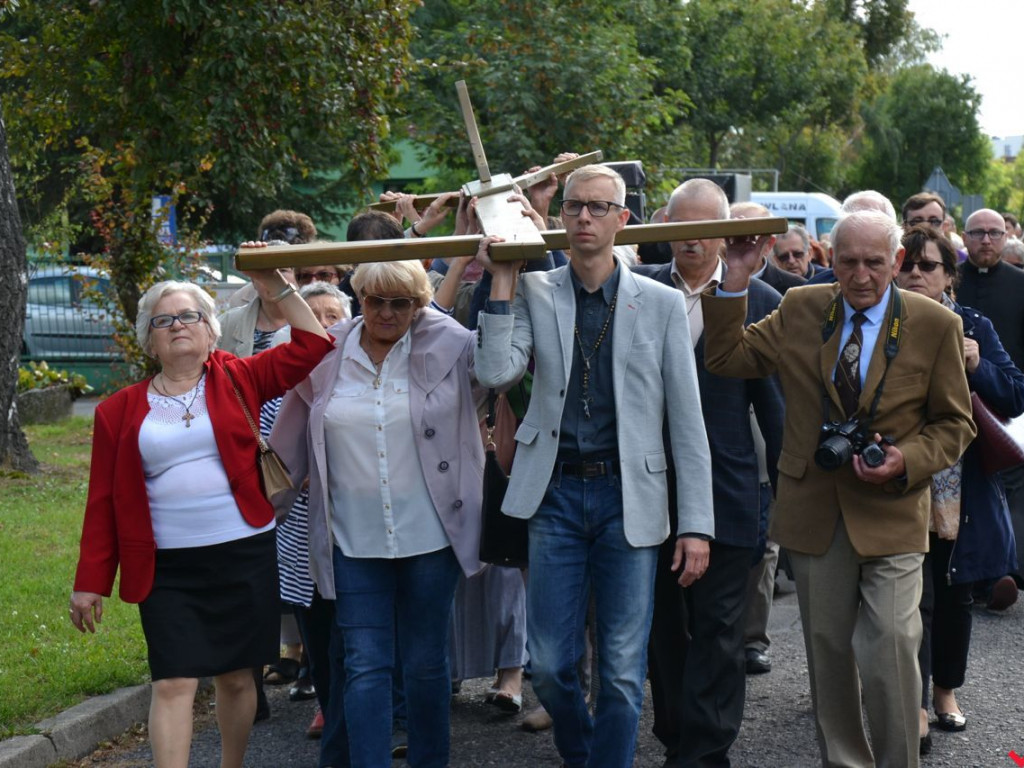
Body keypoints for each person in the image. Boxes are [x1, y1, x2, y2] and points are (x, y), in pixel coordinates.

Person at [702, 209, 976, 767]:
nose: (859, 276)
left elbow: (956, 424)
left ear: (897, 262)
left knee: (893, 648)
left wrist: (905, 459)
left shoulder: (934, 324)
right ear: (833, 259)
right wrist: (733, 276)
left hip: (894, 508)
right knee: (828, 657)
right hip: (815, 510)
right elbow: (727, 358)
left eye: (875, 263)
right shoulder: (801, 306)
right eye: (847, 262)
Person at [474, 164, 715, 768]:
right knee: (551, 665)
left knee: (623, 668)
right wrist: (501, 280)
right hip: (552, 494)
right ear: (560, 217)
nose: (585, 217)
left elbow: (687, 423)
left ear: (622, 219)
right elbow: (496, 374)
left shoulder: (659, 303)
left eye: (599, 207)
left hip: (629, 496)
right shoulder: (534, 290)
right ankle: (583, 755)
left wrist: (696, 524)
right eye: (575, 206)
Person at [68, 272, 333, 768]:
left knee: (236, 677)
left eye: (189, 315)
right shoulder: (117, 412)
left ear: (211, 330)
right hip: (167, 566)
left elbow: (314, 342)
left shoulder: (240, 376)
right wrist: (90, 582)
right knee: (172, 680)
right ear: (150, 340)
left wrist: (273, 286)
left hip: (242, 553)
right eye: (163, 320)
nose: (177, 326)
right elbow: (102, 501)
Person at [269, 259, 485, 767]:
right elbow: (288, 443)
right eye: (375, 301)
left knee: (426, 663)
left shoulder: (448, 345)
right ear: (358, 297)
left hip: (430, 536)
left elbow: (499, 366)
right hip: (353, 537)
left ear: (419, 304)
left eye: (402, 303)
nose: (387, 313)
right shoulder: (328, 352)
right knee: (365, 664)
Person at [634, 178, 784, 768]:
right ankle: (675, 735)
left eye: (701, 230)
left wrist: (787, 506)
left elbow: (775, 414)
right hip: (649, 488)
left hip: (729, 493)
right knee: (663, 627)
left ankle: (704, 751)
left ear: (725, 234)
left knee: (721, 630)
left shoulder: (765, 302)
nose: (689, 242)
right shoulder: (637, 291)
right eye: (677, 228)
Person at [895, 226, 1024, 749]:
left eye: (929, 266)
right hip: (897, 482)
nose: (917, 275)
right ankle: (915, 703)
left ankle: (945, 692)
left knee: (954, 597)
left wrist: (978, 363)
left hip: (958, 489)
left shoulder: (972, 324)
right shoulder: (884, 321)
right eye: (910, 265)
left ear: (951, 275)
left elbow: (1015, 394)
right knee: (910, 603)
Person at [956, 207, 1024, 604]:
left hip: (1009, 398)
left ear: (1005, 237)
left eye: (994, 233)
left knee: (1009, 485)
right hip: (962, 400)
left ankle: (1003, 571)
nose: (986, 240)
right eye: (978, 232)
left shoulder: (1020, 283)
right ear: (964, 238)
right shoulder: (949, 285)